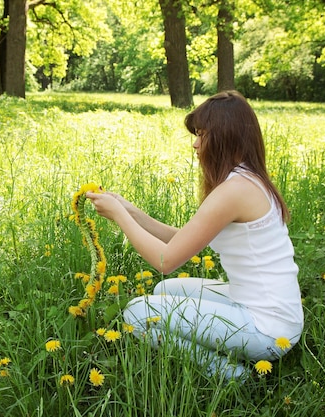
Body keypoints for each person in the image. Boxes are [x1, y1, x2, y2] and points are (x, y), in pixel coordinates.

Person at [86, 90, 303, 380]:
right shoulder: (246, 179)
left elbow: (165, 261)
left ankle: (233, 376)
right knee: (167, 290)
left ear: (226, 137)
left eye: (202, 135)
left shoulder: (235, 191)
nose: (195, 144)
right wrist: (130, 209)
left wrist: (118, 215)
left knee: (138, 314)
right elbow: (182, 239)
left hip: (267, 328)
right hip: (266, 309)